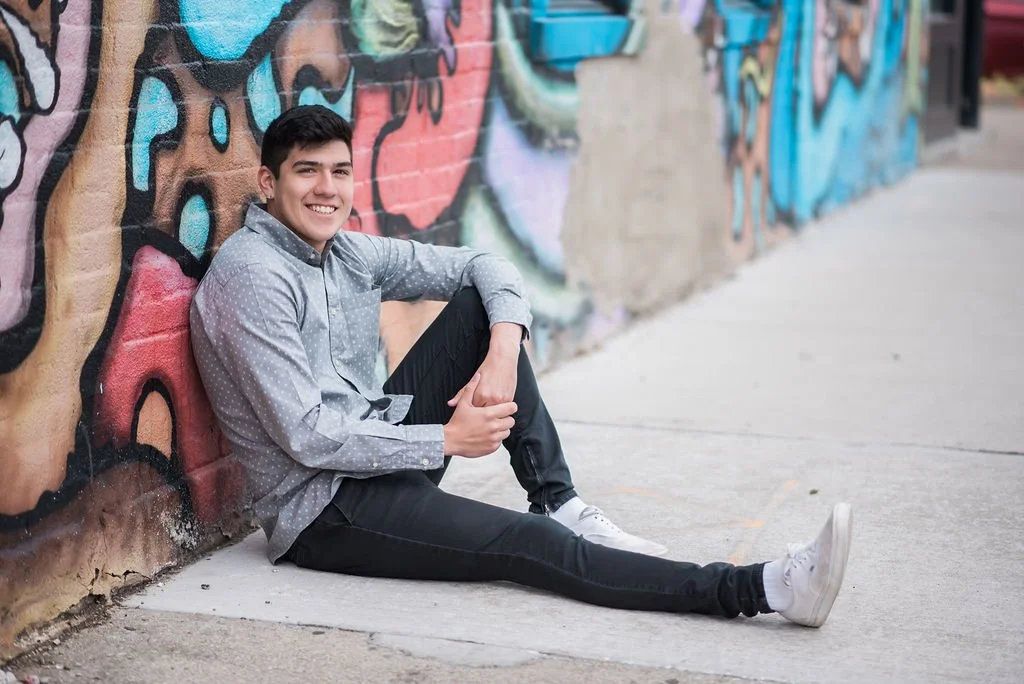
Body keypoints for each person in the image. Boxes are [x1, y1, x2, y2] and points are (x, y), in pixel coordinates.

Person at [190, 105, 853, 627]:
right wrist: (447, 440)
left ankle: (558, 499)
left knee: (482, 309)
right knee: (529, 547)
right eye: (307, 171)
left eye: (338, 171)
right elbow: (307, 437)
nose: (326, 189)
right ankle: (762, 587)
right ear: (269, 183)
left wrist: (504, 347)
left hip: (382, 454)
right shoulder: (253, 277)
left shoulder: (346, 253)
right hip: (326, 512)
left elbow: (485, 266)